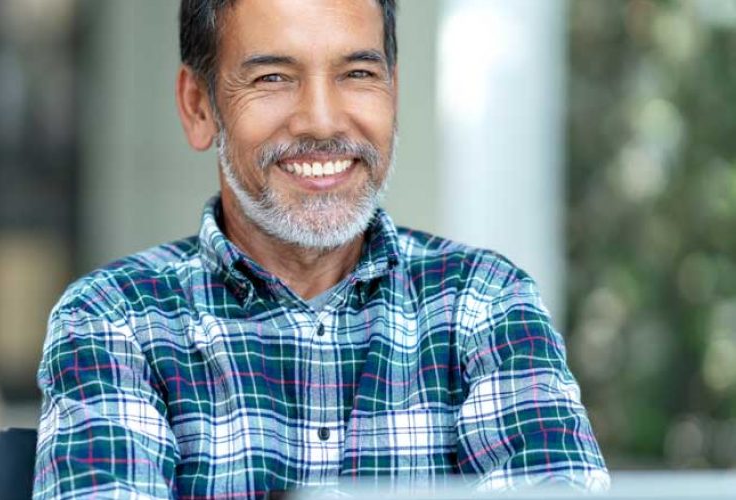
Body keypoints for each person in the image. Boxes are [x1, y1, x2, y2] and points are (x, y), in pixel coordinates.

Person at [32, 0, 609, 497]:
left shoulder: (485, 303)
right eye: (273, 78)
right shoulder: (116, 320)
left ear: (394, 90)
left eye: (358, 73)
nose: (322, 120)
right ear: (199, 106)